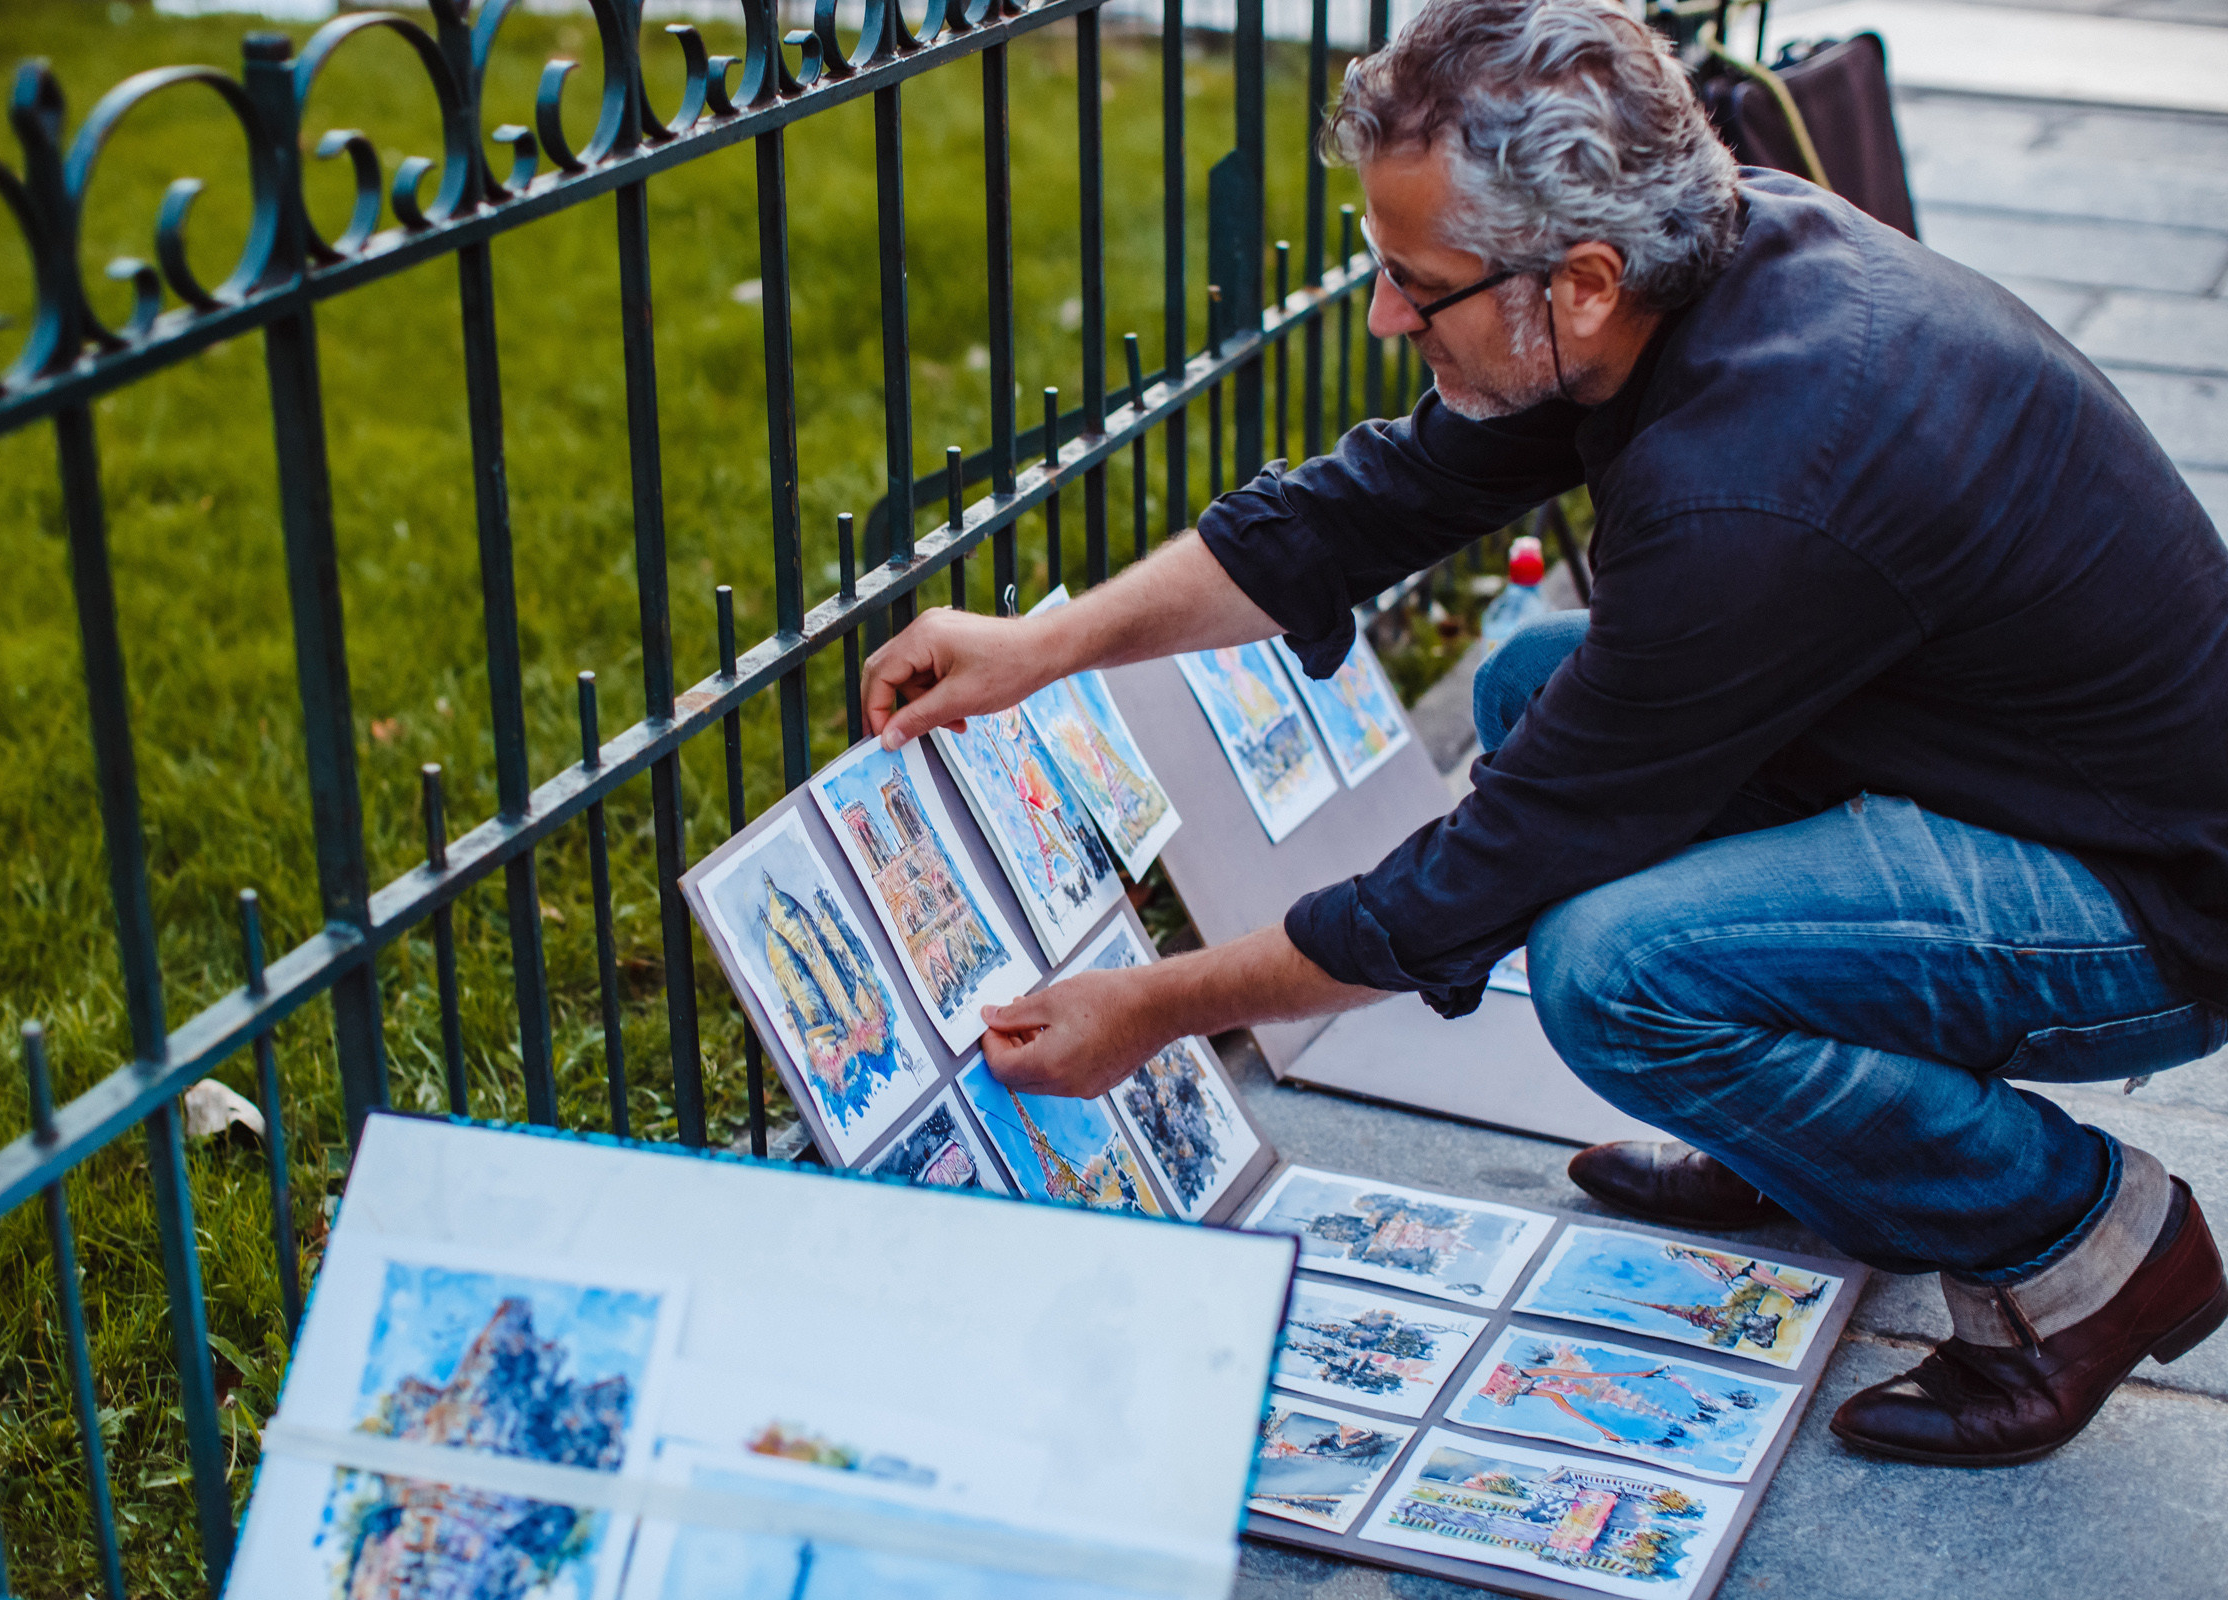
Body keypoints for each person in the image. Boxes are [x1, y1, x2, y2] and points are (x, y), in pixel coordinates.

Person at [857, 0, 2228, 1468]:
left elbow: (1480, 881)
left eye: (1414, 285)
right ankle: (1820, 1149)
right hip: (2005, 770)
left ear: (1576, 280)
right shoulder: (1680, 272)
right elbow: (1364, 507)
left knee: (1614, 976)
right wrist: (1041, 646)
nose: (1385, 318)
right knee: (1527, 689)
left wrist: (1150, 1006)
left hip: (2145, 899)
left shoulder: (1754, 488)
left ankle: (2089, 1245)